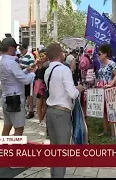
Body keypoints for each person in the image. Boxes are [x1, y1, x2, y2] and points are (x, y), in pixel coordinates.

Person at [44, 43, 83, 178]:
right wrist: (78, 89)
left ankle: (54, 175)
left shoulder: (48, 70)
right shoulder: (64, 70)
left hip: (50, 111)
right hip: (62, 112)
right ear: (60, 54)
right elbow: (72, 94)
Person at [0, 38, 36, 137]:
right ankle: (15, 150)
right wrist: (33, 73)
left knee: (7, 126)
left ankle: (3, 149)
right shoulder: (12, 63)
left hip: (7, 97)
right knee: (19, 129)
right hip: (15, 99)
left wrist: (27, 70)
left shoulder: (2, 62)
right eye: (15, 47)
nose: (16, 50)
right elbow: (25, 80)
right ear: (10, 48)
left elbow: (15, 77)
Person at [96, 44, 116, 139]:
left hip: (109, 90)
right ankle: (105, 130)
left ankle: (113, 133)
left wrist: (111, 83)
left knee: (111, 110)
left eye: (100, 53)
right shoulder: (101, 64)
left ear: (105, 54)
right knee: (103, 111)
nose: (98, 55)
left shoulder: (111, 63)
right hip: (101, 88)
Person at [19, 44, 35, 119]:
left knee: (29, 95)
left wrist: (23, 67)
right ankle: (24, 110)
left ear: (26, 49)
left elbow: (32, 66)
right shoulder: (22, 56)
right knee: (24, 94)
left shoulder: (30, 56)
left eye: (22, 50)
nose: (21, 51)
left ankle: (31, 110)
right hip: (23, 77)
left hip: (29, 77)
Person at [34, 49, 49, 126]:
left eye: (43, 56)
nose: (42, 57)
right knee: (40, 103)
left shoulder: (46, 64)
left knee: (44, 104)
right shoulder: (40, 64)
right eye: (41, 56)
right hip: (40, 84)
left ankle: (42, 119)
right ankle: (41, 120)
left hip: (43, 84)